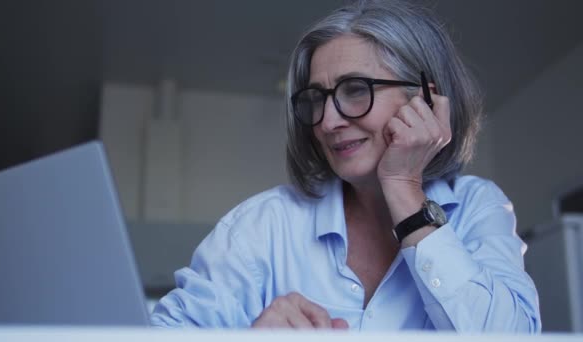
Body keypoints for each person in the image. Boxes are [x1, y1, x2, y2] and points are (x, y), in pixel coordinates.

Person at [150, 0, 541, 332]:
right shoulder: (262, 226)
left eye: (356, 90)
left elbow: (514, 336)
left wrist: (404, 186)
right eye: (316, 99)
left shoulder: (477, 207)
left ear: (424, 100)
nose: (327, 121)